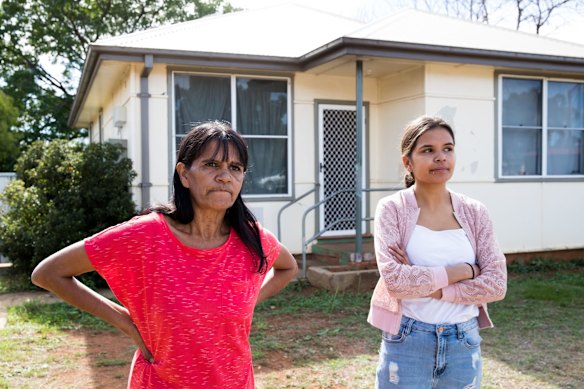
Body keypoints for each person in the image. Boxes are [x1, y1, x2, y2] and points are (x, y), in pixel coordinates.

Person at [31, 121, 298, 388]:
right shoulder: (146, 235)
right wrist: (126, 322)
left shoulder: (252, 239)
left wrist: (250, 298)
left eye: (235, 168)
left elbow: (288, 267)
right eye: (211, 165)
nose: (225, 176)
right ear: (184, 174)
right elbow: (48, 273)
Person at [368, 116, 507, 388]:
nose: (441, 157)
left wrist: (434, 288)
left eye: (448, 148)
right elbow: (395, 281)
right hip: (408, 339)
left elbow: (496, 285)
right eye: (428, 150)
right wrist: (464, 271)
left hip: (463, 342)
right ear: (407, 162)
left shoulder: (475, 211)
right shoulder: (392, 209)